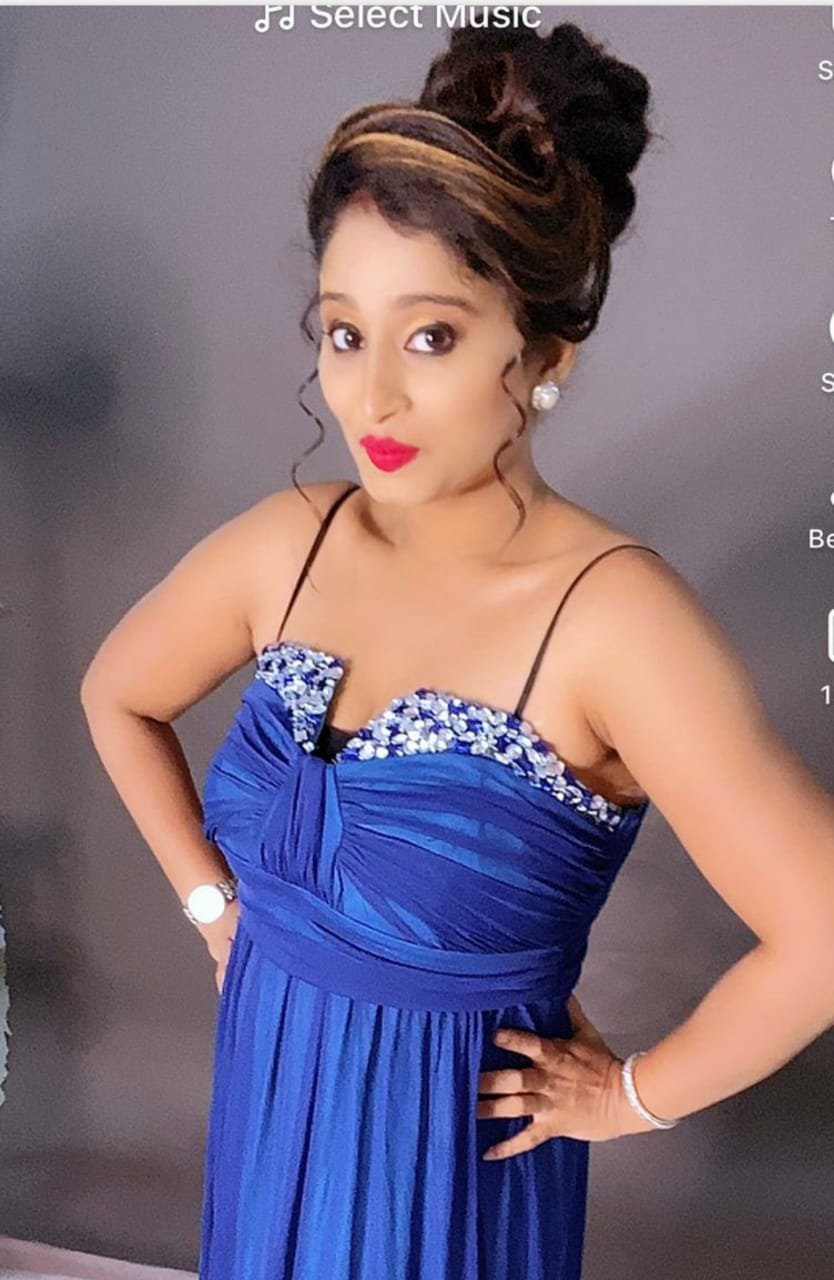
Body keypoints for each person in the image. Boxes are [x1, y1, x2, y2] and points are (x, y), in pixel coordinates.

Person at [79, 17, 834, 1280]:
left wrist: (631, 1096)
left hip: (446, 1176)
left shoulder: (613, 618)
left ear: (540, 354)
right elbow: (117, 691)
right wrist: (217, 912)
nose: (370, 395)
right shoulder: (292, 543)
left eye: (429, 336)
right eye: (343, 331)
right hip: (272, 1109)